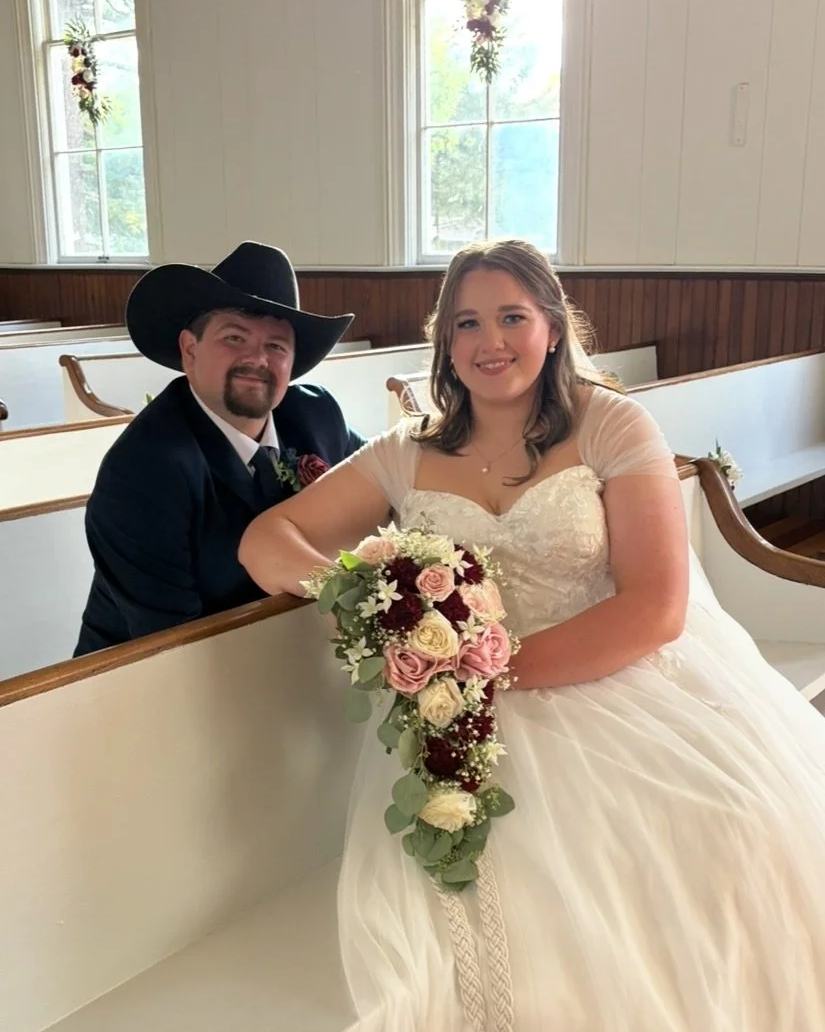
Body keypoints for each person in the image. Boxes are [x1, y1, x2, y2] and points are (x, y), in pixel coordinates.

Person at [238, 239, 825, 1031]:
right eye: (467, 323)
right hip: (458, 707)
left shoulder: (609, 424)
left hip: (613, 668)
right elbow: (266, 540)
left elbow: (654, 606)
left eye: (512, 316)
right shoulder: (406, 450)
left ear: (551, 326)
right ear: (445, 342)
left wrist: (492, 671)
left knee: (727, 821)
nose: (491, 342)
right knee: (490, 883)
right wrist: (374, 600)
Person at [75, 241, 363, 656]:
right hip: (140, 682)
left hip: (294, 656)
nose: (257, 359)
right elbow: (172, 646)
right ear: (190, 351)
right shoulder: (142, 471)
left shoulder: (317, 414)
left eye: (276, 346)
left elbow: (380, 487)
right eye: (234, 337)